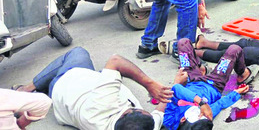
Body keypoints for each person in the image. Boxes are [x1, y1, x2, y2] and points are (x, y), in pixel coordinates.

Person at [12, 47, 173, 130]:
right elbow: (158, 113)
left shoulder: (103, 103)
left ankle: (27, 89)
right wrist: (174, 87)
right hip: (73, 100)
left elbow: (115, 60)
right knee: (105, 73)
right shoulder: (141, 126)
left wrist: (149, 84)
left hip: (66, 82)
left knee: (78, 52)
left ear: (126, 112)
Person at [156, 38, 255, 130]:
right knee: (235, 49)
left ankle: (200, 68)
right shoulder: (207, 114)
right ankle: (243, 72)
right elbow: (220, 104)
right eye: (204, 115)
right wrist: (236, 93)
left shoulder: (170, 120)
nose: (202, 111)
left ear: (183, 119)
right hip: (214, 83)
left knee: (183, 43)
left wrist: (201, 102)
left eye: (200, 113)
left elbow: (176, 88)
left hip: (191, 79)